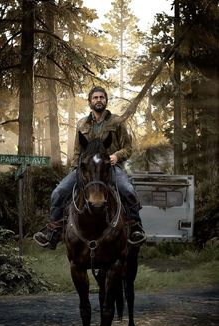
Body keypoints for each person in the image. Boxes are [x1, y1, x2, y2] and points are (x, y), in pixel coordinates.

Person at [33, 86, 146, 249]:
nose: (98, 100)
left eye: (101, 97)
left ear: (106, 101)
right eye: (95, 98)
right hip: (85, 169)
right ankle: (53, 233)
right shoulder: (82, 124)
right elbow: (77, 151)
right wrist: (75, 170)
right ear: (90, 102)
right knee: (58, 192)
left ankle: (135, 228)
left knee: (128, 190)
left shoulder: (117, 122)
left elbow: (128, 148)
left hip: (109, 168)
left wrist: (116, 156)